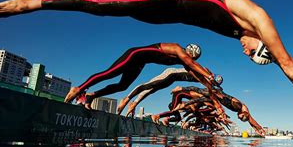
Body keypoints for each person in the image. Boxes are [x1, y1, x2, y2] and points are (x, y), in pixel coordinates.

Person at [0, 0, 293, 122]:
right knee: (108, 8)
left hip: (166, 16)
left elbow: (281, 65)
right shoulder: (259, 19)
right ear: (263, 43)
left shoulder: (252, 37)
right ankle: (31, 4)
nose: (243, 51)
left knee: (111, 3)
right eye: (251, 52)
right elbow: (285, 60)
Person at [64, 42, 217, 108]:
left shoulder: (186, 62)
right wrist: (208, 75)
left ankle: (92, 96)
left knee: (122, 86)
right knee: (110, 73)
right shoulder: (177, 49)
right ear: (189, 51)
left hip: (140, 63)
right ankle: (79, 88)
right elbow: (192, 65)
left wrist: (209, 85)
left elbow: (196, 74)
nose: (191, 60)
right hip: (134, 55)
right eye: (192, 57)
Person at [117, 67, 223, 117]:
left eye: (214, 85)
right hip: (170, 73)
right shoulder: (204, 72)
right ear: (212, 76)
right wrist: (181, 88)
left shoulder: (206, 81)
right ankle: (128, 100)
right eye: (213, 82)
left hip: (172, 79)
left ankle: (134, 103)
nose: (212, 85)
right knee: (149, 86)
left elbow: (205, 91)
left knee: (152, 91)